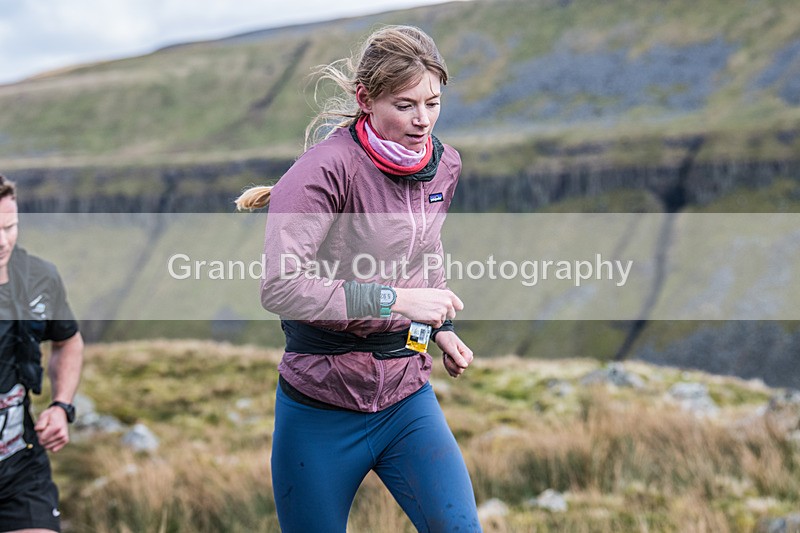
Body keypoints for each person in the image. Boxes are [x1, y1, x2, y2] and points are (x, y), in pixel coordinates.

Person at [238, 25, 481, 532]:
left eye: (432, 103)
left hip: (407, 398)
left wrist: (442, 330)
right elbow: (281, 286)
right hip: (320, 408)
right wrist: (396, 300)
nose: (422, 121)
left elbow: (425, 248)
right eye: (405, 105)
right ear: (365, 98)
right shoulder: (323, 171)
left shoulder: (445, 164)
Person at [0, 174, 84, 533]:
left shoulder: (39, 277)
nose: (3, 241)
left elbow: (68, 341)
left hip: (21, 466)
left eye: (10, 226)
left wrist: (60, 406)